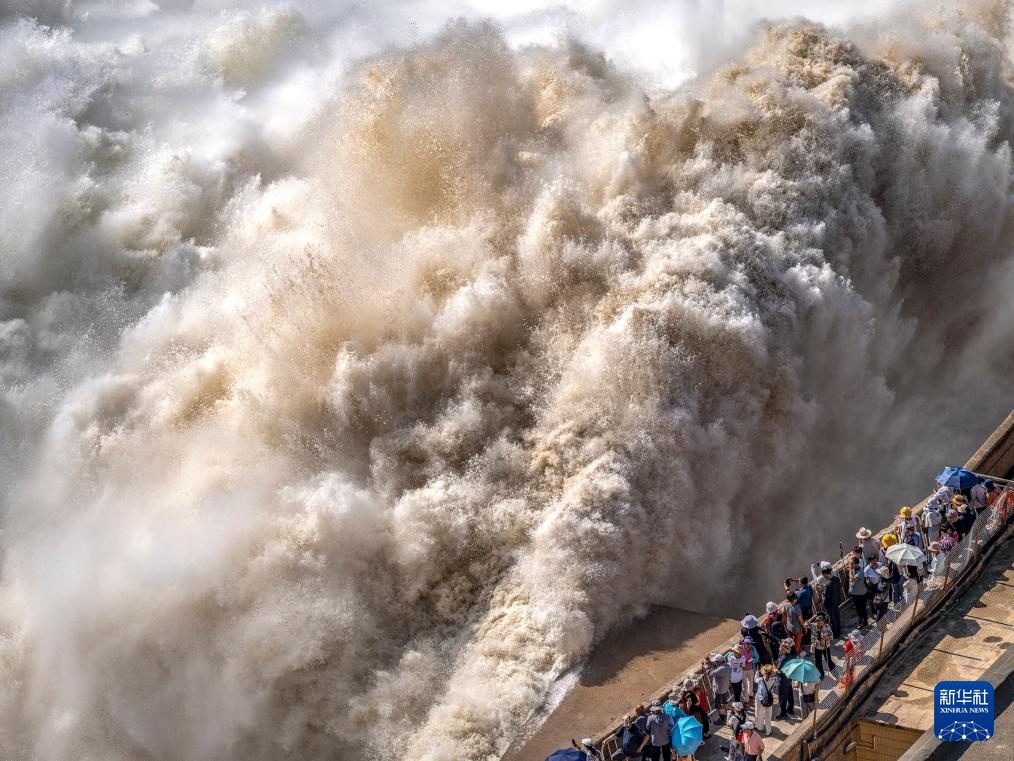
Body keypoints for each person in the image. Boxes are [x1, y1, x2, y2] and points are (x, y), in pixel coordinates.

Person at [811, 561, 842, 637]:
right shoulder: (836, 578)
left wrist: (822, 589)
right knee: (837, 615)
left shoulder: (828, 584)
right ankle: (839, 628)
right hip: (836, 601)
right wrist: (824, 587)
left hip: (830, 604)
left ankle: (835, 632)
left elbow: (826, 594)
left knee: (832, 618)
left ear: (825, 574)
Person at [808, 613, 836, 679]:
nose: (819, 624)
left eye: (821, 623)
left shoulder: (827, 626)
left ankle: (833, 669)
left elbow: (831, 636)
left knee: (828, 660)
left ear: (823, 621)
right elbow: (805, 624)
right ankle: (821, 674)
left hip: (825, 647)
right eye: (818, 623)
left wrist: (827, 637)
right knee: (818, 662)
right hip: (817, 647)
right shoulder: (813, 626)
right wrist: (813, 617)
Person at [707, 654, 732, 725]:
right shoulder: (726, 665)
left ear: (720, 661)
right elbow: (715, 665)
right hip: (724, 688)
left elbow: (711, 673)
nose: (716, 662)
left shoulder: (721, 669)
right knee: (724, 701)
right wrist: (709, 661)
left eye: (717, 661)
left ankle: (722, 719)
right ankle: (729, 712)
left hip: (719, 690)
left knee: (718, 705)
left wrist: (706, 667)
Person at [754, 665, 778, 735]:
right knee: (768, 716)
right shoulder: (774, 680)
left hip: (760, 699)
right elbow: (775, 686)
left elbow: (755, 679)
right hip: (769, 699)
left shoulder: (761, 680)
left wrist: (757, 672)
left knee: (759, 714)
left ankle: (759, 727)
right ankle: (768, 731)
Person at [774, 640, 795, 719]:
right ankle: (790, 709)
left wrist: (775, 670)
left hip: (782, 680)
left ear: (784, 649)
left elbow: (779, 670)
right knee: (790, 693)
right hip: (788, 678)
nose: (779, 648)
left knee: (782, 697)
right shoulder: (790, 655)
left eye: (780, 647)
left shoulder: (784, 658)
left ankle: (783, 714)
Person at [848, 556, 869, 629]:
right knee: (857, 609)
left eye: (852, 563)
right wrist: (850, 588)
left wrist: (850, 570)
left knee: (862, 608)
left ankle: (865, 622)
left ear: (857, 564)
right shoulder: (853, 570)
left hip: (861, 594)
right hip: (855, 593)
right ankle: (861, 621)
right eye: (850, 563)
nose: (850, 565)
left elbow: (852, 579)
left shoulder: (860, 571)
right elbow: (850, 581)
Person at [740, 637, 757, 703]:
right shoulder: (739, 649)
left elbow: (757, 657)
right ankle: (746, 700)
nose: (749, 645)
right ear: (744, 643)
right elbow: (736, 663)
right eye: (747, 643)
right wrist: (746, 662)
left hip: (750, 669)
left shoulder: (753, 648)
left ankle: (751, 696)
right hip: (743, 670)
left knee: (751, 684)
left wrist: (753, 661)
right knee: (745, 686)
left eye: (750, 643)